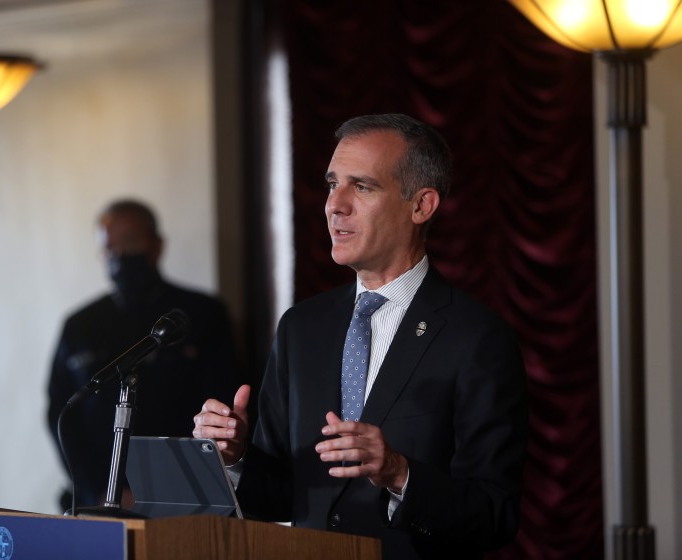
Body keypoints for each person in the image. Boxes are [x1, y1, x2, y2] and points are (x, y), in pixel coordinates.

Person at [193, 114, 527, 559]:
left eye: (362, 187)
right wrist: (234, 458)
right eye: (333, 184)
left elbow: (493, 515)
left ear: (421, 205)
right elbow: (280, 496)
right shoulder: (301, 328)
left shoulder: (477, 339)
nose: (335, 204)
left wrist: (398, 473)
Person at [48, 199, 241, 509]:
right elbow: (62, 411)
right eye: (109, 248)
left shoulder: (199, 315)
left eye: (131, 242)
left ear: (156, 245)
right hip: (97, 499)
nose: (120, 255)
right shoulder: (79, 326)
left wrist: (157, 490)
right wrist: (100, 488)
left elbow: (221, 403)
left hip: (182, 497)